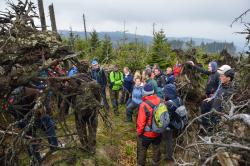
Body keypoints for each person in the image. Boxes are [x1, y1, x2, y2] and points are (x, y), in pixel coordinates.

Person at [7, 86, 58, 163]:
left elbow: (11, 112)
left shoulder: (12, 96)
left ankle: (36, 160)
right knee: (49, 124)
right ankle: (54, 147)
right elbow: (40, 109)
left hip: (20, 119)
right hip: (31, 117)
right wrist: (42, 115)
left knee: (29, 137)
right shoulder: (36, 92)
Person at [187, 61, 220, 132]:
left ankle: (210, 127)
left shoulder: (217, 75)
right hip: (208, 96)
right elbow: (202, 70)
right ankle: (205, 125)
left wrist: (213, 96)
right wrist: (193, 65)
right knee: (205, 109)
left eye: (209, 66)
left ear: (213, 67)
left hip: (213, 97)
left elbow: (220, 87)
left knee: (208, 110)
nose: (208, 67)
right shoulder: (211, 73)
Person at [203, 65, 234, 132]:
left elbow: (225, 106)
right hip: (216, 102)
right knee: (205, 103)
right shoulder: (222, 84)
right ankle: (205, 124)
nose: (220, 77)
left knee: (215, 107)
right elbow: (217, 91)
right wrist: (211, 98)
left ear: (228, 78)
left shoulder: (230, 90)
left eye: (222, 76)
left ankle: (212, 129)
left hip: (221, 110)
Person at [137, 83, 161, 166]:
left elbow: (141, 122)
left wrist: (139, 133)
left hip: (147, 134)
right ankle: (156, 163)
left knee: (142, 150)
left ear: (144, 93)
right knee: (156, 148)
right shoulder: (160, 100)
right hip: (158, 131)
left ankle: (141, 164)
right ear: (153, 91)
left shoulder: (143, 105)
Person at [162, 83, 183, 164]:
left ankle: (169, 157)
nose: (164, 94)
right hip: (178, 122)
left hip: (171, 125)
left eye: (165, 92)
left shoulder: (169, 104)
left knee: (168, 140)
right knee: (171, 139)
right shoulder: (178, 99)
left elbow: (167, 117)